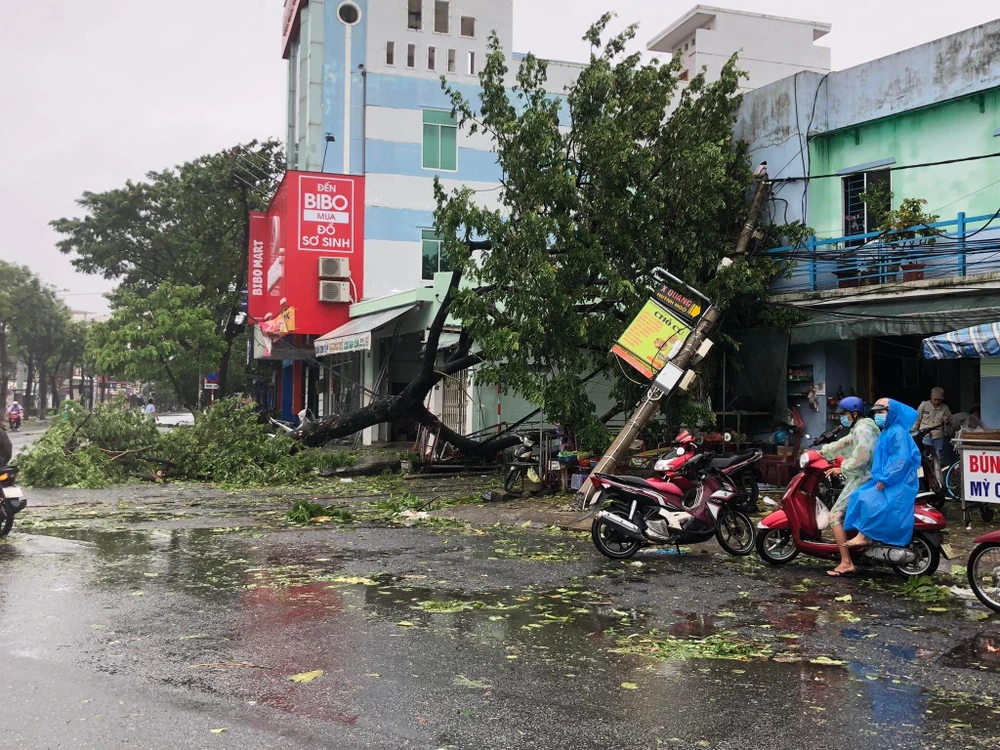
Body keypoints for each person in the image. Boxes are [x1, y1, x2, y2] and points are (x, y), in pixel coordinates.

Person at [845, 398, 921, 549]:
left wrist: (886, 478)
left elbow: (901, 459)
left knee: (866, 499)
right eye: (876, 413)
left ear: (891, 413)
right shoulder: (887, 431)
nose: (878, 416)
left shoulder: (897, 432)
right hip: (889, 478)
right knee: (858, 495)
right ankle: (864, 535)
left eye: (881, 412)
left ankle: (864, 536)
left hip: (899, 481)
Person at [820, 396, 881, 577]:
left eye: (845, 414)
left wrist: (841, 468)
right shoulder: (862, 427)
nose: (843, 417)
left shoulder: (863, 429)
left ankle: (846, 562)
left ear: (854, 414)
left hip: (863, 478)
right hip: (864, 477)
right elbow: (845, 443)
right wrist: (823, 451)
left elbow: (862, 456)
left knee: (834, 516)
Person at [912, 387, 952, 460]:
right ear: (931, 397)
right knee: (926, 455)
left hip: (938, 435)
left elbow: (949, 428)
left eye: (939, 400)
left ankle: (937, 470)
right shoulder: (924, 405)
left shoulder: (945, 408)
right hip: (925, 434)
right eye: (935, 399)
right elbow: (917, 419)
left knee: (938, 455)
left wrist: (947, 422)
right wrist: (913, 432)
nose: (937, 402)